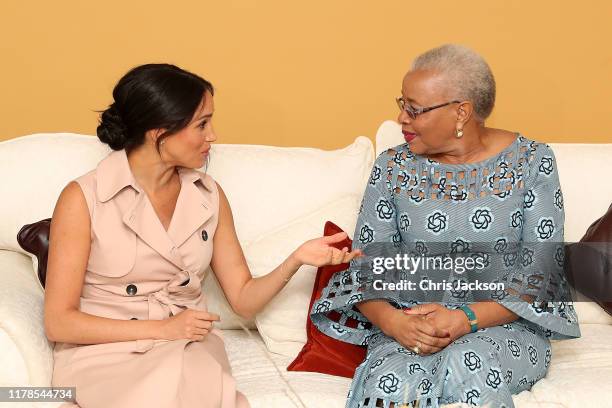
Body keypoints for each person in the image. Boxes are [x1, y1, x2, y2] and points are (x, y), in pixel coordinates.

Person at [44, 63, 361, 408]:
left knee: (196, 384)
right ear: (159, 131)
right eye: (202, 124)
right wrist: (161, 330)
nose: (213, 136)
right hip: (104, 353)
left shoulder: (209, 195)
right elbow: (60, 322)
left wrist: (296, 259)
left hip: (187, 346)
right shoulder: (83, 197)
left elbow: (243, 299)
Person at [311, 44, 580, 408]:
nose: (401, 119)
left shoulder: (532, 162)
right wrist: (394, 323)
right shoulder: (392, 168)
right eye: (401, 104)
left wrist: (465, 318)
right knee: (392, 382)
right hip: (410, 327)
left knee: (467, 364)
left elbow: (540, 274)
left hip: (504, 328)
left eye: (414, 109)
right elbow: (367, 271)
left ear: (461, 112)